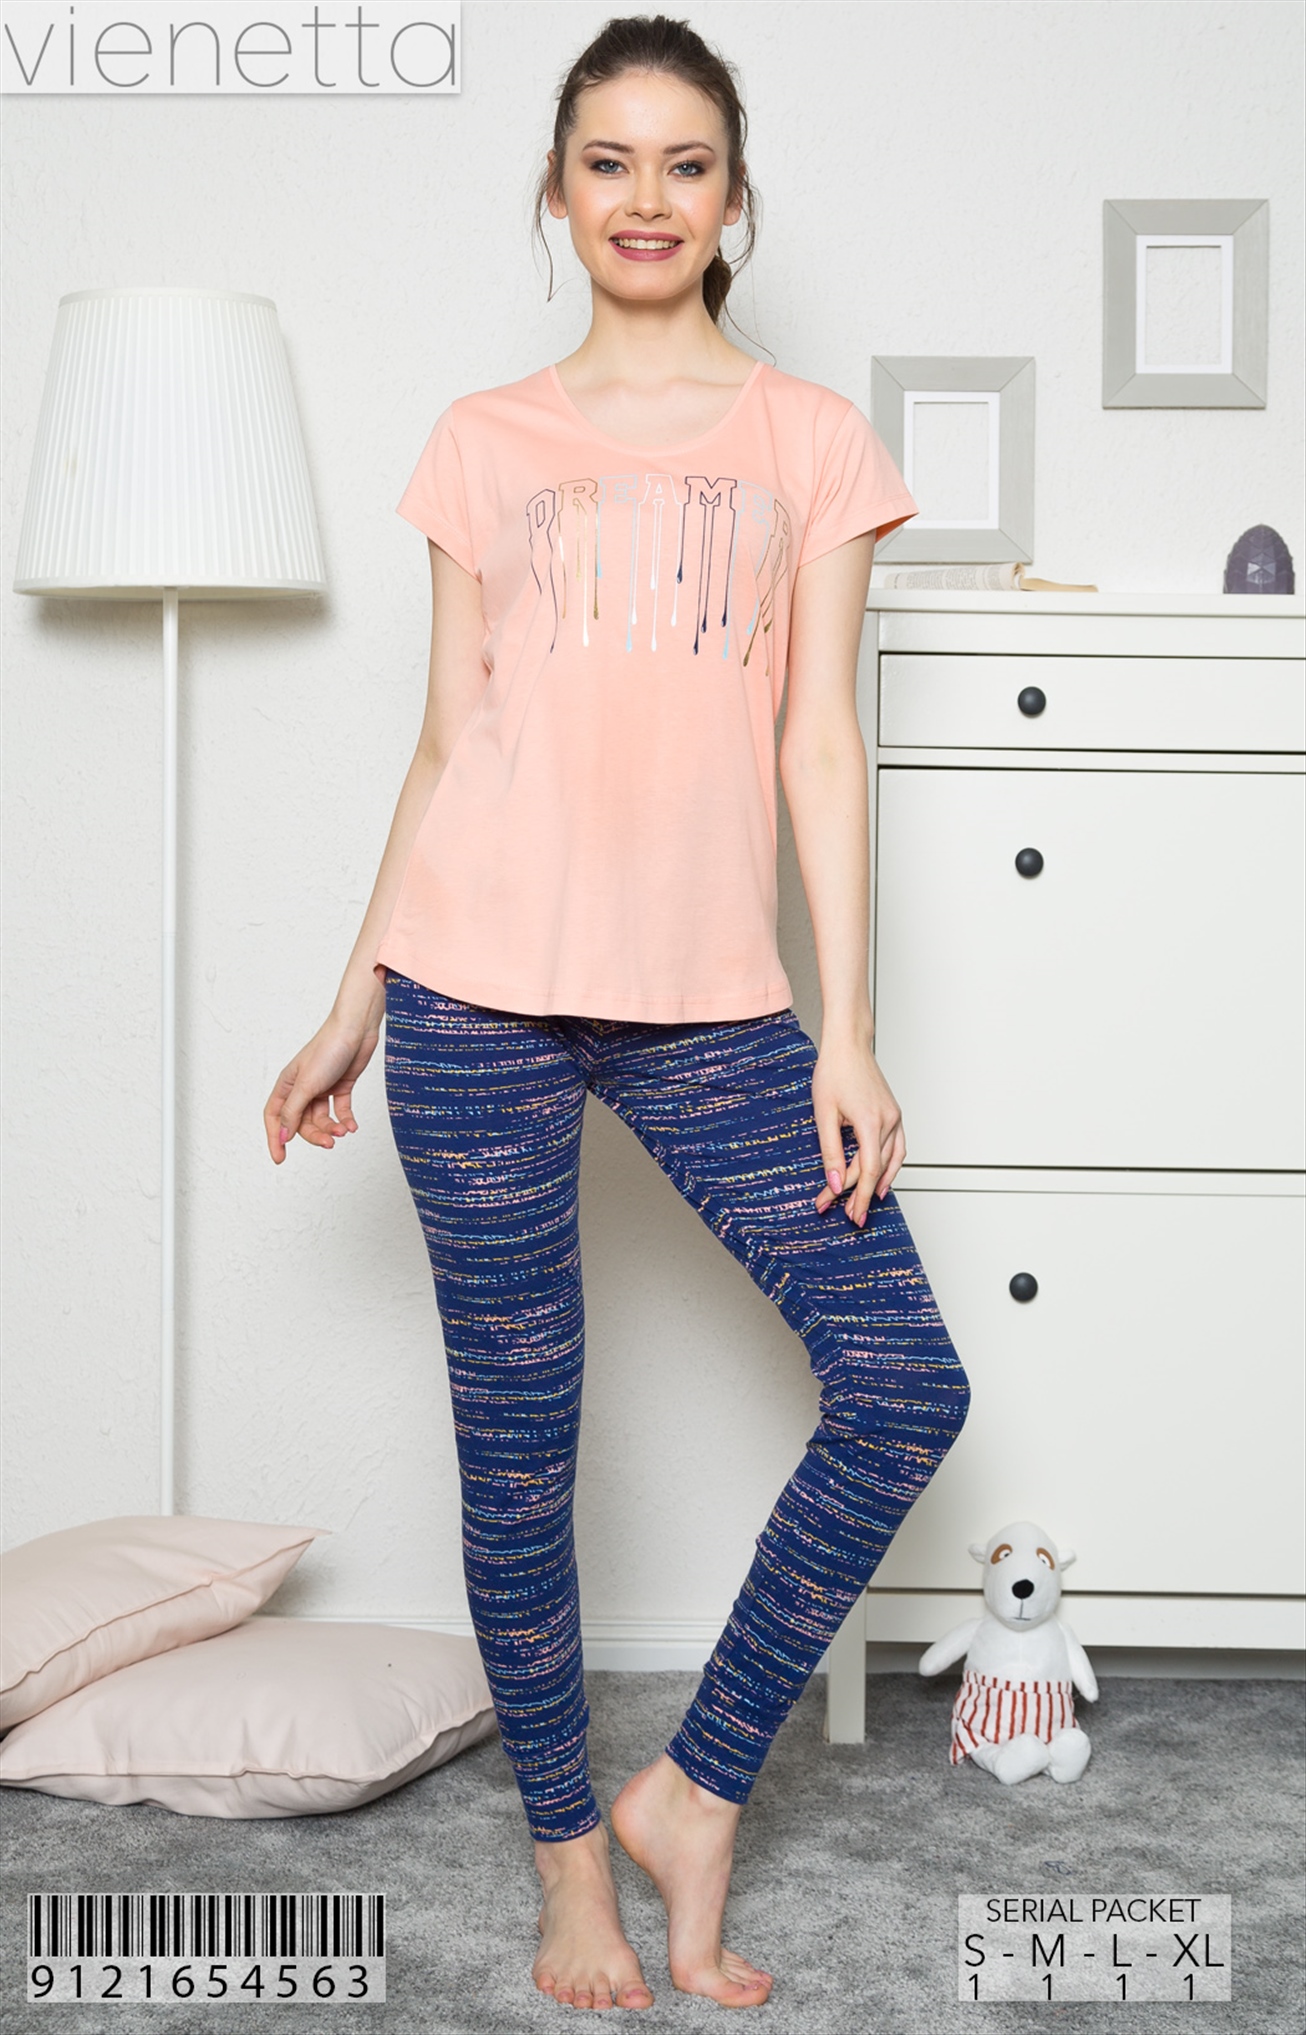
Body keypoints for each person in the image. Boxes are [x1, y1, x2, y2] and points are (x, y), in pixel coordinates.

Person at [264, 11, 970, 2013]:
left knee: (901, 1383)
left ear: (733, 200)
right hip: (471, 992)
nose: (644, 198)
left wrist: (846, 1030)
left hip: (709, 1008)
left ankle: (694, 1789)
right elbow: (444, 746)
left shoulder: (809, 441)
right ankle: (568, 1862)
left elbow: (819, 745)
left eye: (684, 163)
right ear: (558, 192)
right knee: (520, 1458)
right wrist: (353, 997)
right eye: (607, 161)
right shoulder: (482, 441)